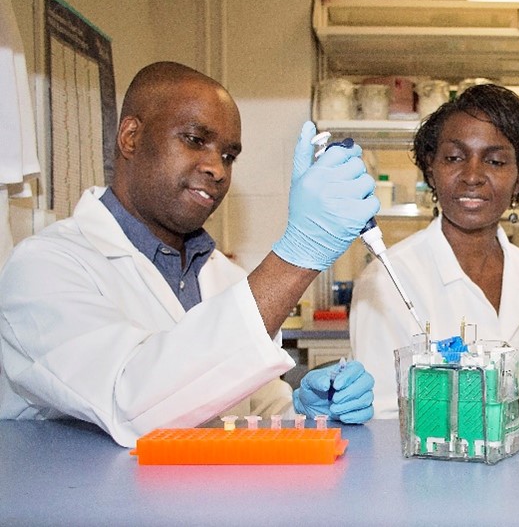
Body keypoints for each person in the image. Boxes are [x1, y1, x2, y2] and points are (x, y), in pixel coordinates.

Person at [0, 61, 379, 447]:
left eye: (229, 155)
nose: (217, 168)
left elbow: (248, 411)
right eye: (195, 140)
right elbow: (131, 404)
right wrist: (297, 257)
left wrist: (302, 411)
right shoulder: (43, 268)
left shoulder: (225, 277)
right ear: (131, 137)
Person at [350, 83, 519, 418]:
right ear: (431, 169)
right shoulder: (388, 278)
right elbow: (382, 419)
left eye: (495, 161)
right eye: (454, 157)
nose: (472, 176)